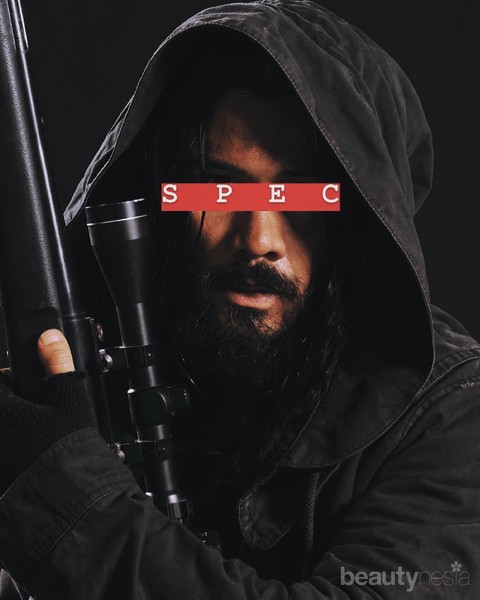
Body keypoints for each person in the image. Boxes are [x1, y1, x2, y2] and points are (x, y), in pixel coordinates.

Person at [1, 1, 480, 598]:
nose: (258, 240)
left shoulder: (453, 414)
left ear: (358, 220)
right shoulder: (117, 359)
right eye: (217, 189)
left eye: (303, 196)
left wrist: (61, 490)